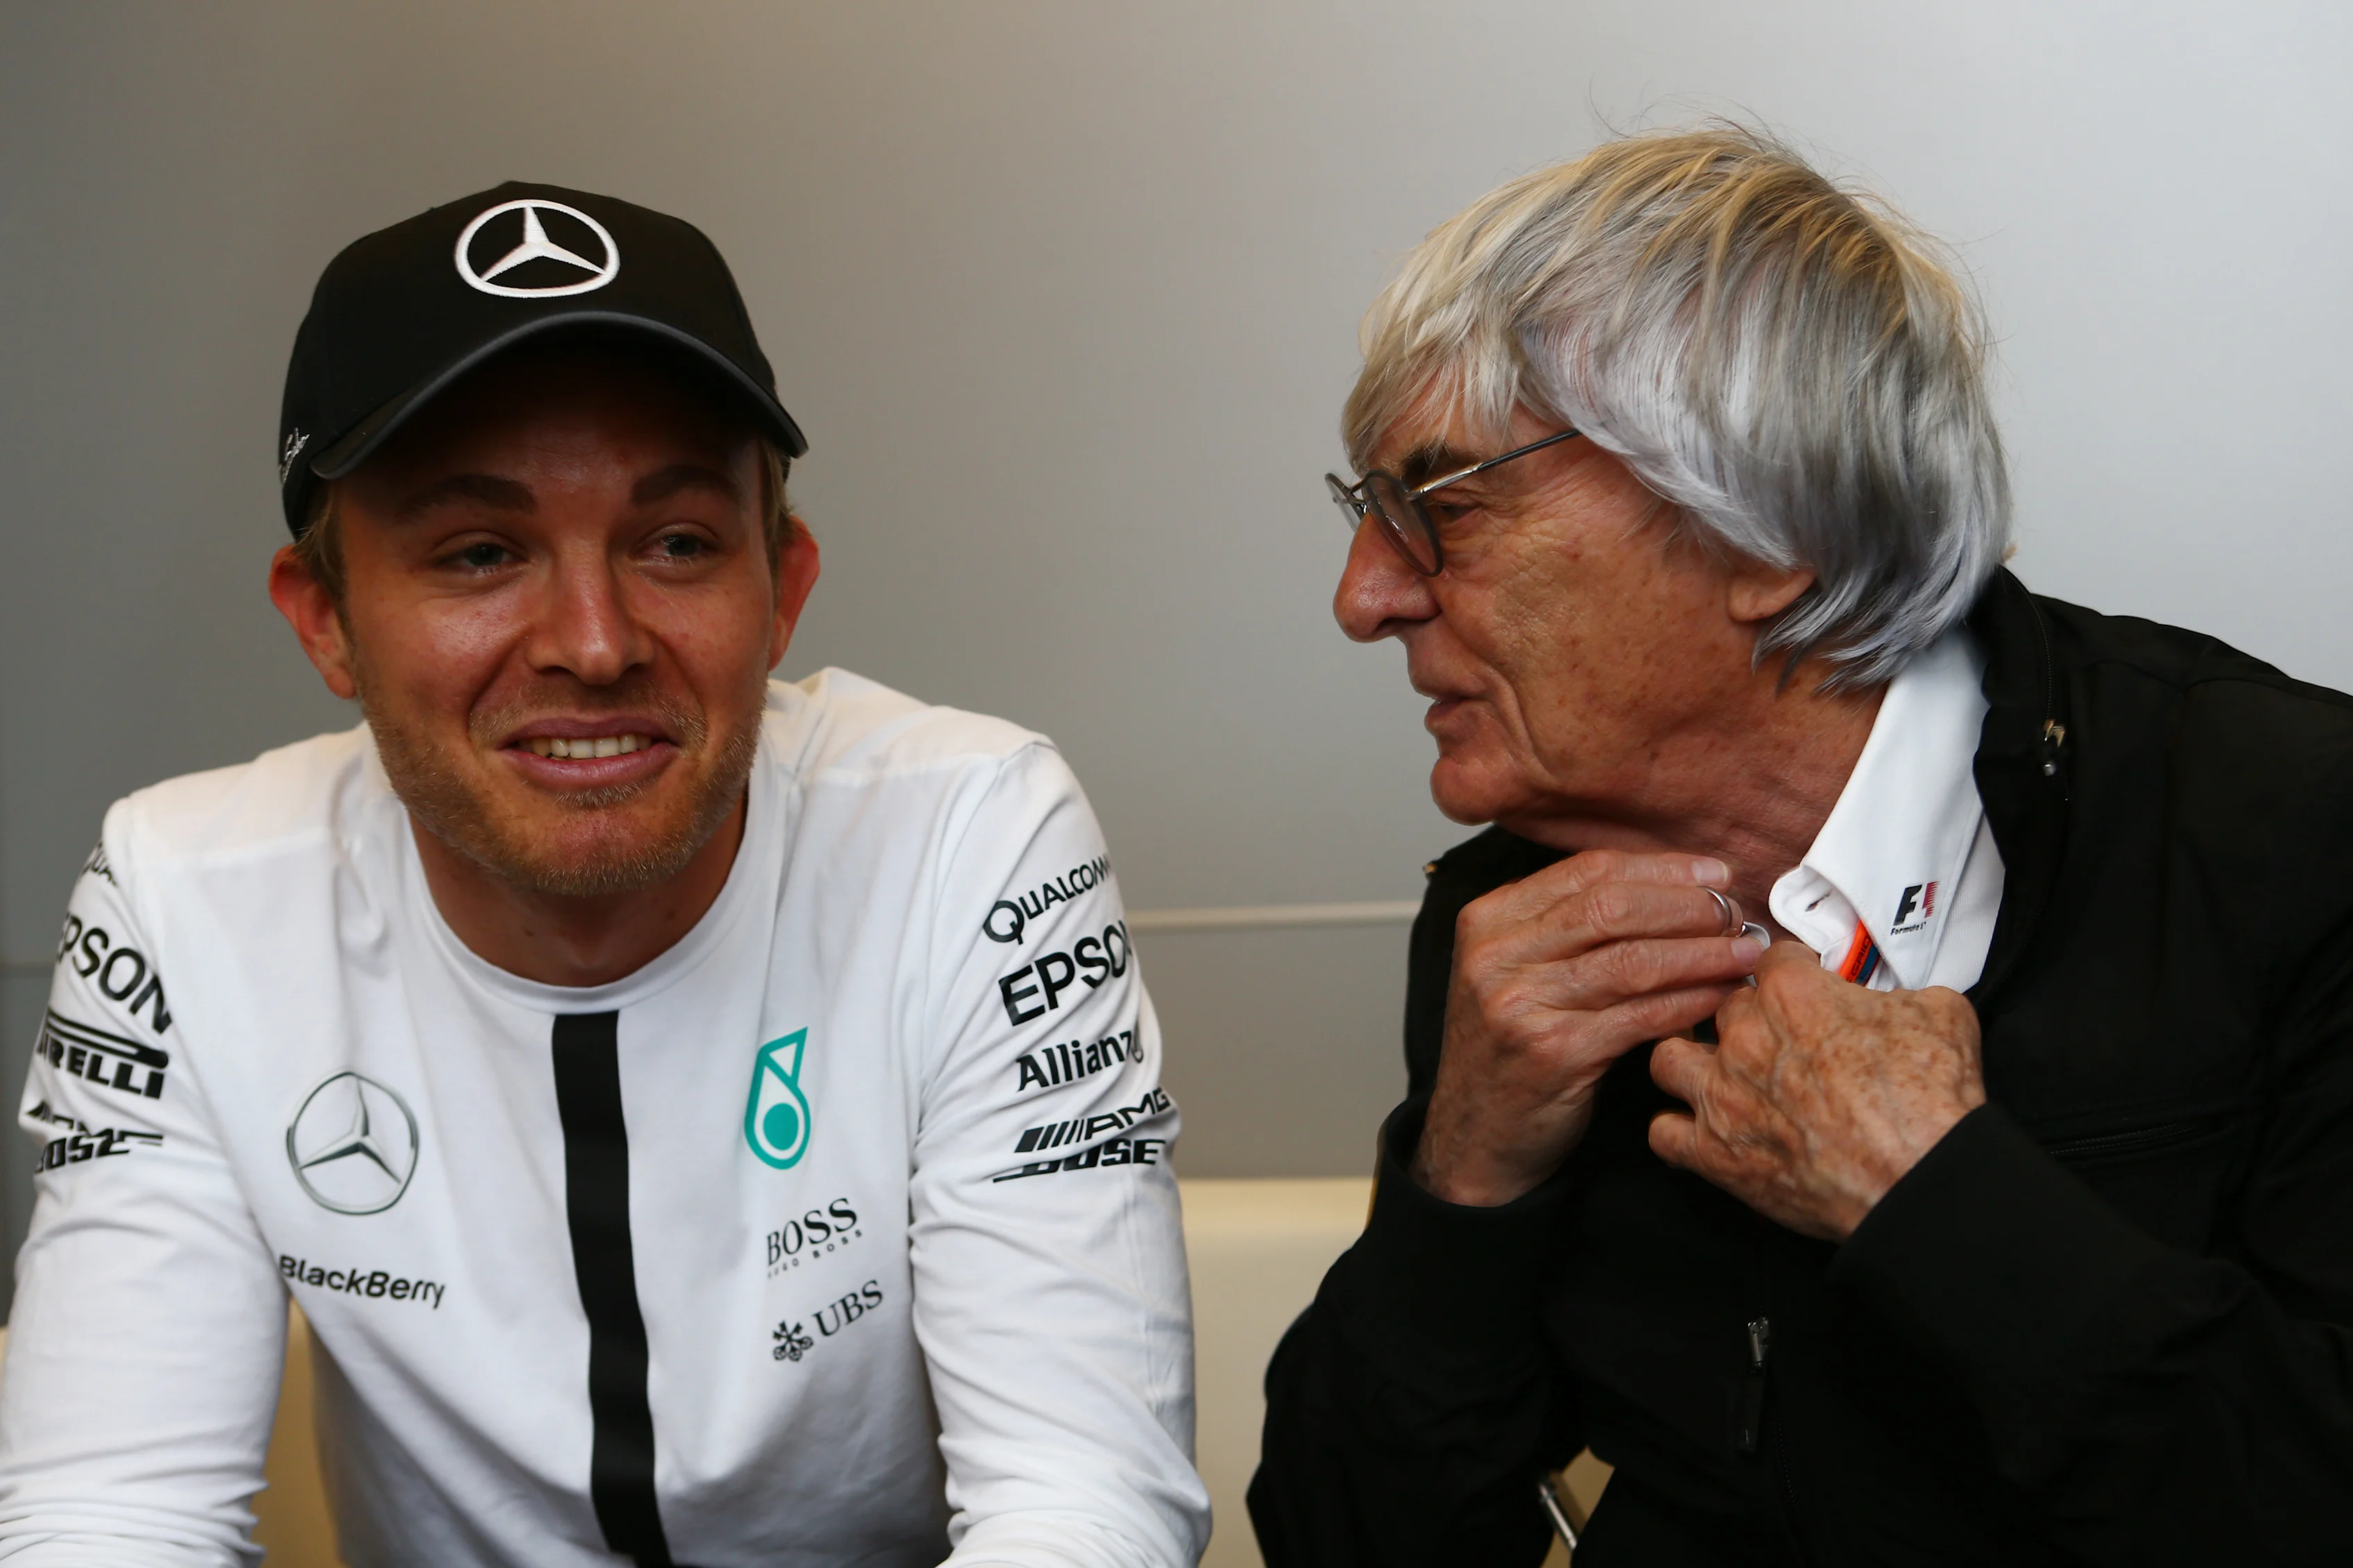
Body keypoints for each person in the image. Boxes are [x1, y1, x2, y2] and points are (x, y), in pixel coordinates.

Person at [0, 183, 1206, 1568]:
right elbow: (109, 1514)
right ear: (326, 620)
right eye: (479, 552)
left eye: (678, 541)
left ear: (783, 586)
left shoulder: (968, 831)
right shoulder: (184, 893)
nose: (592, 639)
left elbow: (1084, 1500)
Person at [1247, 127, 2353, 1567]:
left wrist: (1940, 1197)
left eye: (1443, 507)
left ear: (1770, 531)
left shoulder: (2283, 829)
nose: (1363, 596)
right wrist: (1461, 1178)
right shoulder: (1515, 916)